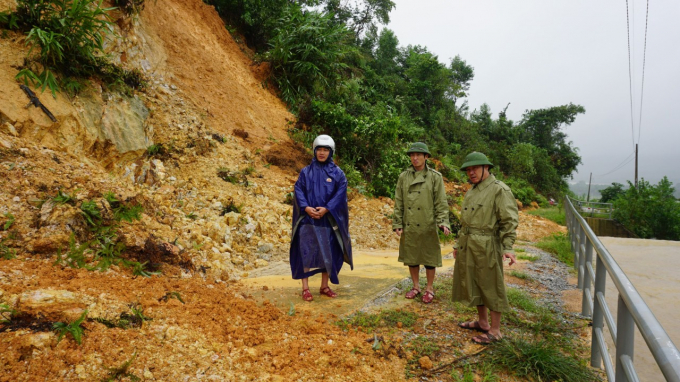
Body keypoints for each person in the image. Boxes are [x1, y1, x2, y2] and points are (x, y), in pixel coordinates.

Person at [452, 152, 519, 344]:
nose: (471, 172)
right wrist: (458, 243)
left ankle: (496, 331)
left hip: (488, 244)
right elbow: (465, 222)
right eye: (468, 169)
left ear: (486, 168)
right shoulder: (472, 190)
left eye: (474, 168)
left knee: (491, 285)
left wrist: (508, 247)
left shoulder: (500, 190)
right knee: (475, 282)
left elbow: (509, 221)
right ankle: (483, 322)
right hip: (469, 243)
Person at [290, 135, 353, 302]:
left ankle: (324, 286)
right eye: (319, 149)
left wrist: (327, 208)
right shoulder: (306, 172)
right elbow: (298, 190)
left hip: (327, 221)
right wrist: (306, 207)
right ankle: (305, 288)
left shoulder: (338, 174)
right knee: (306, 253)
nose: (322, 153)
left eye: (326, 150)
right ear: (314, 150)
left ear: (331, 152)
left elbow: (341, 193)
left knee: (328, 253)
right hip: (308, 221)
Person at [392, 142, 450, 304]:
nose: (415, 158)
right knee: (412, 256)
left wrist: (443, 221)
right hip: (409, 222)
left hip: (427, 223)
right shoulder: (404, 177)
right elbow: (399, 201)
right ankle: (416, 286)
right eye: (412, 155)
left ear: (426, 157)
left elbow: (441, 202)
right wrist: (398, 222)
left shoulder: (434, 177)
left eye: (418, 155)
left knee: (429, 258)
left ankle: (429, 288)